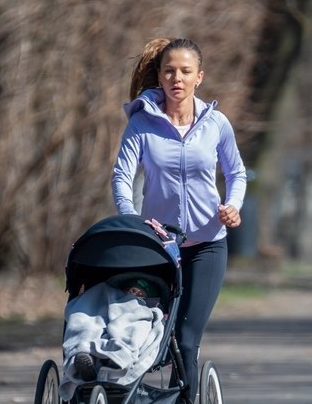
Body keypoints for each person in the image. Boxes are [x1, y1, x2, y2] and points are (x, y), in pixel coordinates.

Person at [111, 38, 247, 403]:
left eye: (186, 71)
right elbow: (122, 177)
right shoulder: (142, 124)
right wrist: (133, 221)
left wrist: (233, 205)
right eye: (169, 70)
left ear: (199, 77)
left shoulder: (216, 124)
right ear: (159, 75)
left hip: (207, 245)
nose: (177, 78)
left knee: (186, 342)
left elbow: (236, 173)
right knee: (148, 338)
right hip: (158, 247)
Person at [60, 275, 166, 401]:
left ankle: (116, 355)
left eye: (140, 293)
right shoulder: (114, 297)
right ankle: (90, 358)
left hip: (131, 321)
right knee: (91, 325)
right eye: (131, 290)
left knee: (136, 327)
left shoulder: (146, 309)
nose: (134, 294)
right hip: (107, 324)